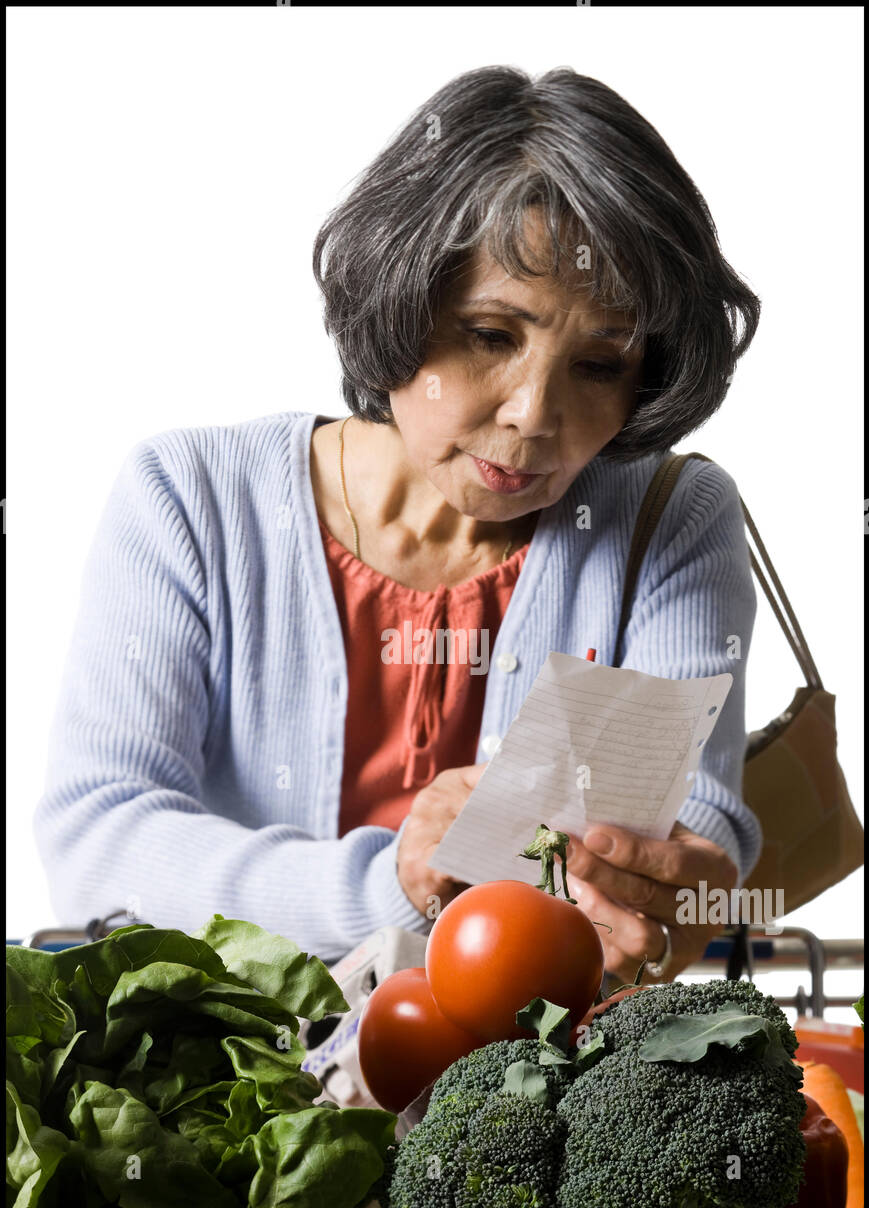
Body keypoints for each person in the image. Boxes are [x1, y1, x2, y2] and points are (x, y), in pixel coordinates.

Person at [33, 65, 761, 982]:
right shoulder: (189, 498)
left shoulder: (669, 519)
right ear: (400, 300)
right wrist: (394, 885)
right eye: (491, 336)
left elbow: (685, 814)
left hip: (528, 1098)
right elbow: (101, 840)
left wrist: (684, 881)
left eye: (599, 363)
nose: (533, 415)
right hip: (236, 1097)